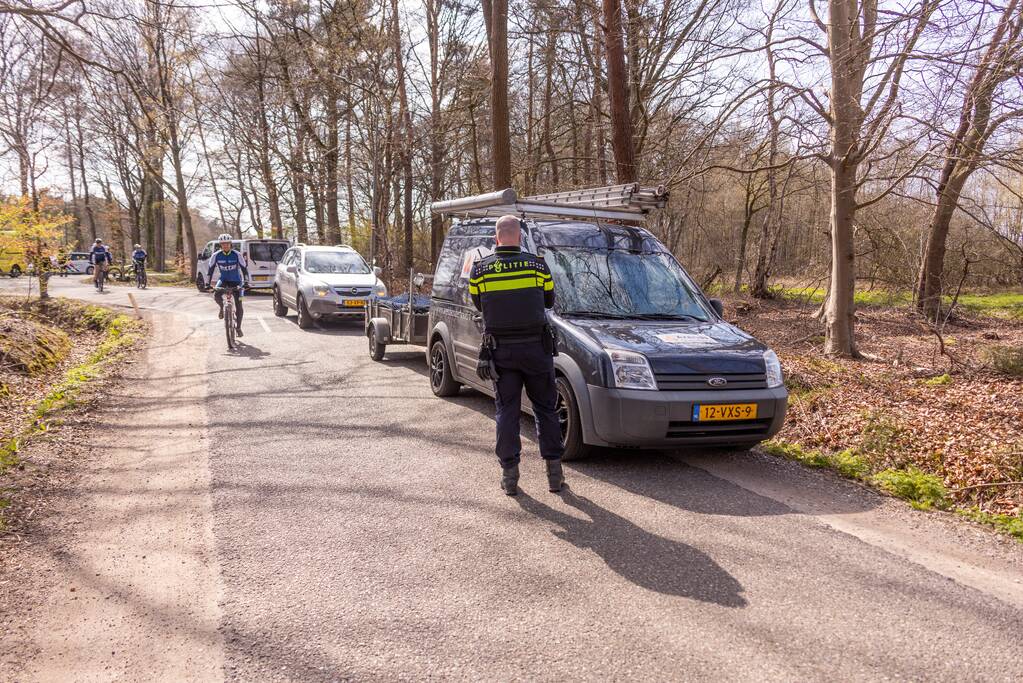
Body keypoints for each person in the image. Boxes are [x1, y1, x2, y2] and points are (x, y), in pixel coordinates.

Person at [469, 214, 565, 496]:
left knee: (507, 411)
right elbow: (549, 300)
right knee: (546, 409)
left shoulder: (480, 270)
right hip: (537, 349)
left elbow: (479, 304)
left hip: (501, 352)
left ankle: (510, 477)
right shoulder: (537, 266)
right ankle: (554, 476)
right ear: (520, 238)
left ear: (495, 238)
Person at [207, 234, 248, 337]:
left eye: (227, 244)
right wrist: (207, 283)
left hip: (237, 281)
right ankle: (222, 308)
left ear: (230, 244)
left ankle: (238, 327)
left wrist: (246, 281)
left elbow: (244, 269)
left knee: (239, 306)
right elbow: (210, 270)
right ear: (220, 245)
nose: (225, 246)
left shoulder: (237, 254)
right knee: (216, 295)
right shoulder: (216, 255)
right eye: (223, 244)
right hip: (223, 280)